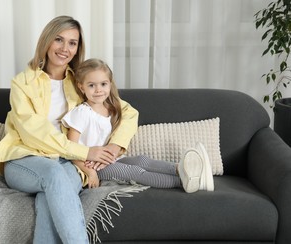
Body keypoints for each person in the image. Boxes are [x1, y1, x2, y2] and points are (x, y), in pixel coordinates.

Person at [0, 16, 139, 244]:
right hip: (24, 158)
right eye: (59, 40)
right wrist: (84, 152)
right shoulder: (22, 83)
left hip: (68, 163)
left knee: (49, 198)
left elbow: (129, 112)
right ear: (47, 41)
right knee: (53, 175)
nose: (65, 48)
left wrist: (114, 146)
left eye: (73, 43)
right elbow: (35, 133)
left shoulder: (82, 81)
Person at [61, 58, 214, 193]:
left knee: (142, 161)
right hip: (94, 167)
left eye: (103, 84)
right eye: (91, 85)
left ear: (110, 84)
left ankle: (181, 168)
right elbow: (71, 149)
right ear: (81, 87)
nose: (99, 90)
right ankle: (184, 182)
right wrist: (90, 172)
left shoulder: (110, 109)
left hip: (109, 160)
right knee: (135, 172)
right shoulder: (81, 113)